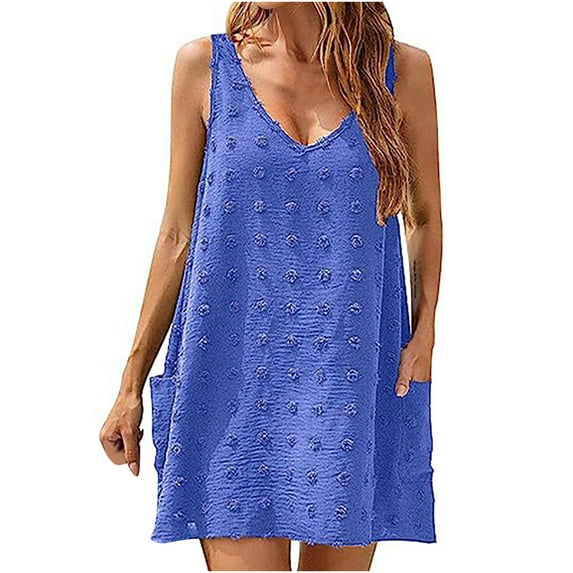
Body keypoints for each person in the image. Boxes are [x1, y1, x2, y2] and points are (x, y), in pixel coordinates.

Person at [100, 2, 442, 570]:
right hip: (229, 379)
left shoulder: (402, 70)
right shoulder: (205, 66)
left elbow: (423, 218)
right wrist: (130, 382)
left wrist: (425, 330)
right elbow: (177, 234)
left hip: (350, 375)